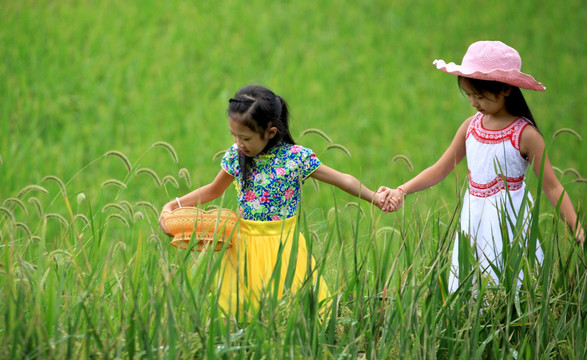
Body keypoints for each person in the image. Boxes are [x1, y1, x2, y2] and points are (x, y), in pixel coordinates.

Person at [159, 85, 400, 316]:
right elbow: (213, 190)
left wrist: (375, 198)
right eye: (234, 136)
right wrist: (174, 206)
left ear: (270, 132)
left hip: (285, 250)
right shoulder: (236, 155)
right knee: (241, 317)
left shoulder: (295, 158)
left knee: (295, 314)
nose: (238, 144)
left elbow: (343, 180)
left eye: (245, 138)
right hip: (242, 250)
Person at [378, 41, 584, 292]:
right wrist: (402, 190)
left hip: (511, 226)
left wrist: (577, 229)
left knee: (511, 286)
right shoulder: (470, 127)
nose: (474, 103)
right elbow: (440, 168)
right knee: (471, 287)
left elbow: (552, 187)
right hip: (473, 222)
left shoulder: (525, 135)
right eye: (469, 95)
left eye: (480, 96)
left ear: (507, 88)